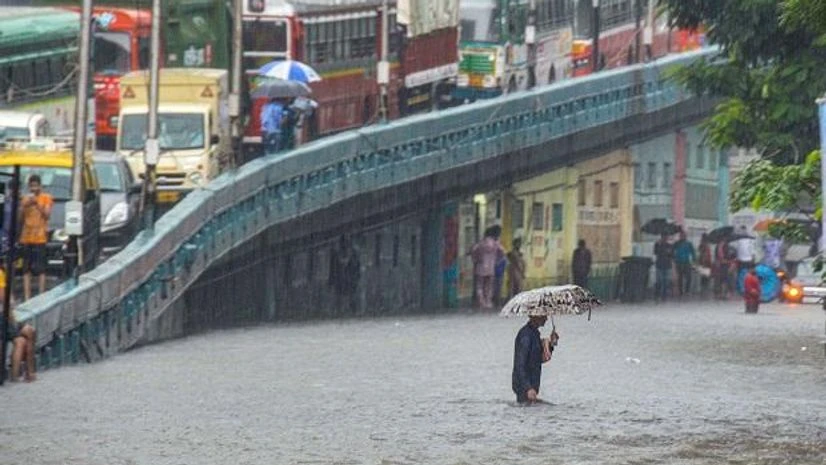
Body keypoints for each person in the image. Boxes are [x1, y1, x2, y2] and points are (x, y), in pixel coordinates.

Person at [19, 174, 53, 301]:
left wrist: (37, 203)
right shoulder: (24, 199)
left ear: (40, 186)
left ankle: (41, 294)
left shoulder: (46, 198)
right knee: (26, 268)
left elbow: (47, 215)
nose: (34, 189)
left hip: (40, 237)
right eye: (32, 186)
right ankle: (27, 296)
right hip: (26, 237)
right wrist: (25, 205)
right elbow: (20, 218)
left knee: (41, 268)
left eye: (36, 186)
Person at [1, 262, 36, 382]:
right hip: (3, 317)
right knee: (23, 339)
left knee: (26, 335)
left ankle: (27, 372)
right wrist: (12, 319)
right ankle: (20, 375)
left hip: (6, 316)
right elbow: (5, 301)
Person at [511, 314, 557, 404]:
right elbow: (519, 365)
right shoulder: (525, 336)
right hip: (525, 389)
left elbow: (538, 359)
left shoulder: (534, 334)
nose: (546, 318)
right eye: (544, 315)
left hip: (531, 387)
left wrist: (551, 344)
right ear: (536, 316)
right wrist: (528, 388)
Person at [470, 226, 506, 309]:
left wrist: (476, 259)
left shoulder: (481, 243)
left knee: (479, 285)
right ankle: (488, 301)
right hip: (491, 267)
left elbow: (473, 251)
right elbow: (502, 252)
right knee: (489, 286)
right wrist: (497, 260)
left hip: (480, 267)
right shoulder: (495, 243)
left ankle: (481, 301)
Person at [673, 231, 696, 297]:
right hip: (679, 262)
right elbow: (672, 251)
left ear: (686, 236)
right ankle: (680, 291)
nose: (683, 236)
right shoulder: (677, 243)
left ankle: (687, 290)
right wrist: (674, 258)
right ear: (680, 236)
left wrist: (694, 260)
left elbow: (693, 252)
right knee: (680, 277)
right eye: (681, 235)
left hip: (686, 262)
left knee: (689, 277)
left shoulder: (689, 244)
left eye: (684, 235)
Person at [653, 233, 674, 301]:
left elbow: (672, 255)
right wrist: (658, 245)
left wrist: (669, 252)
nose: (665, 238)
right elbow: (655, 252)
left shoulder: (670, 246)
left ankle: (664, 296)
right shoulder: (657, 244)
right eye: (664, 237)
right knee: (659, 281)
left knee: (666, 281)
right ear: (661, 237)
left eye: (666, 237)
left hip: (667, 265)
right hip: (659, 265)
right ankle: (657, 295)